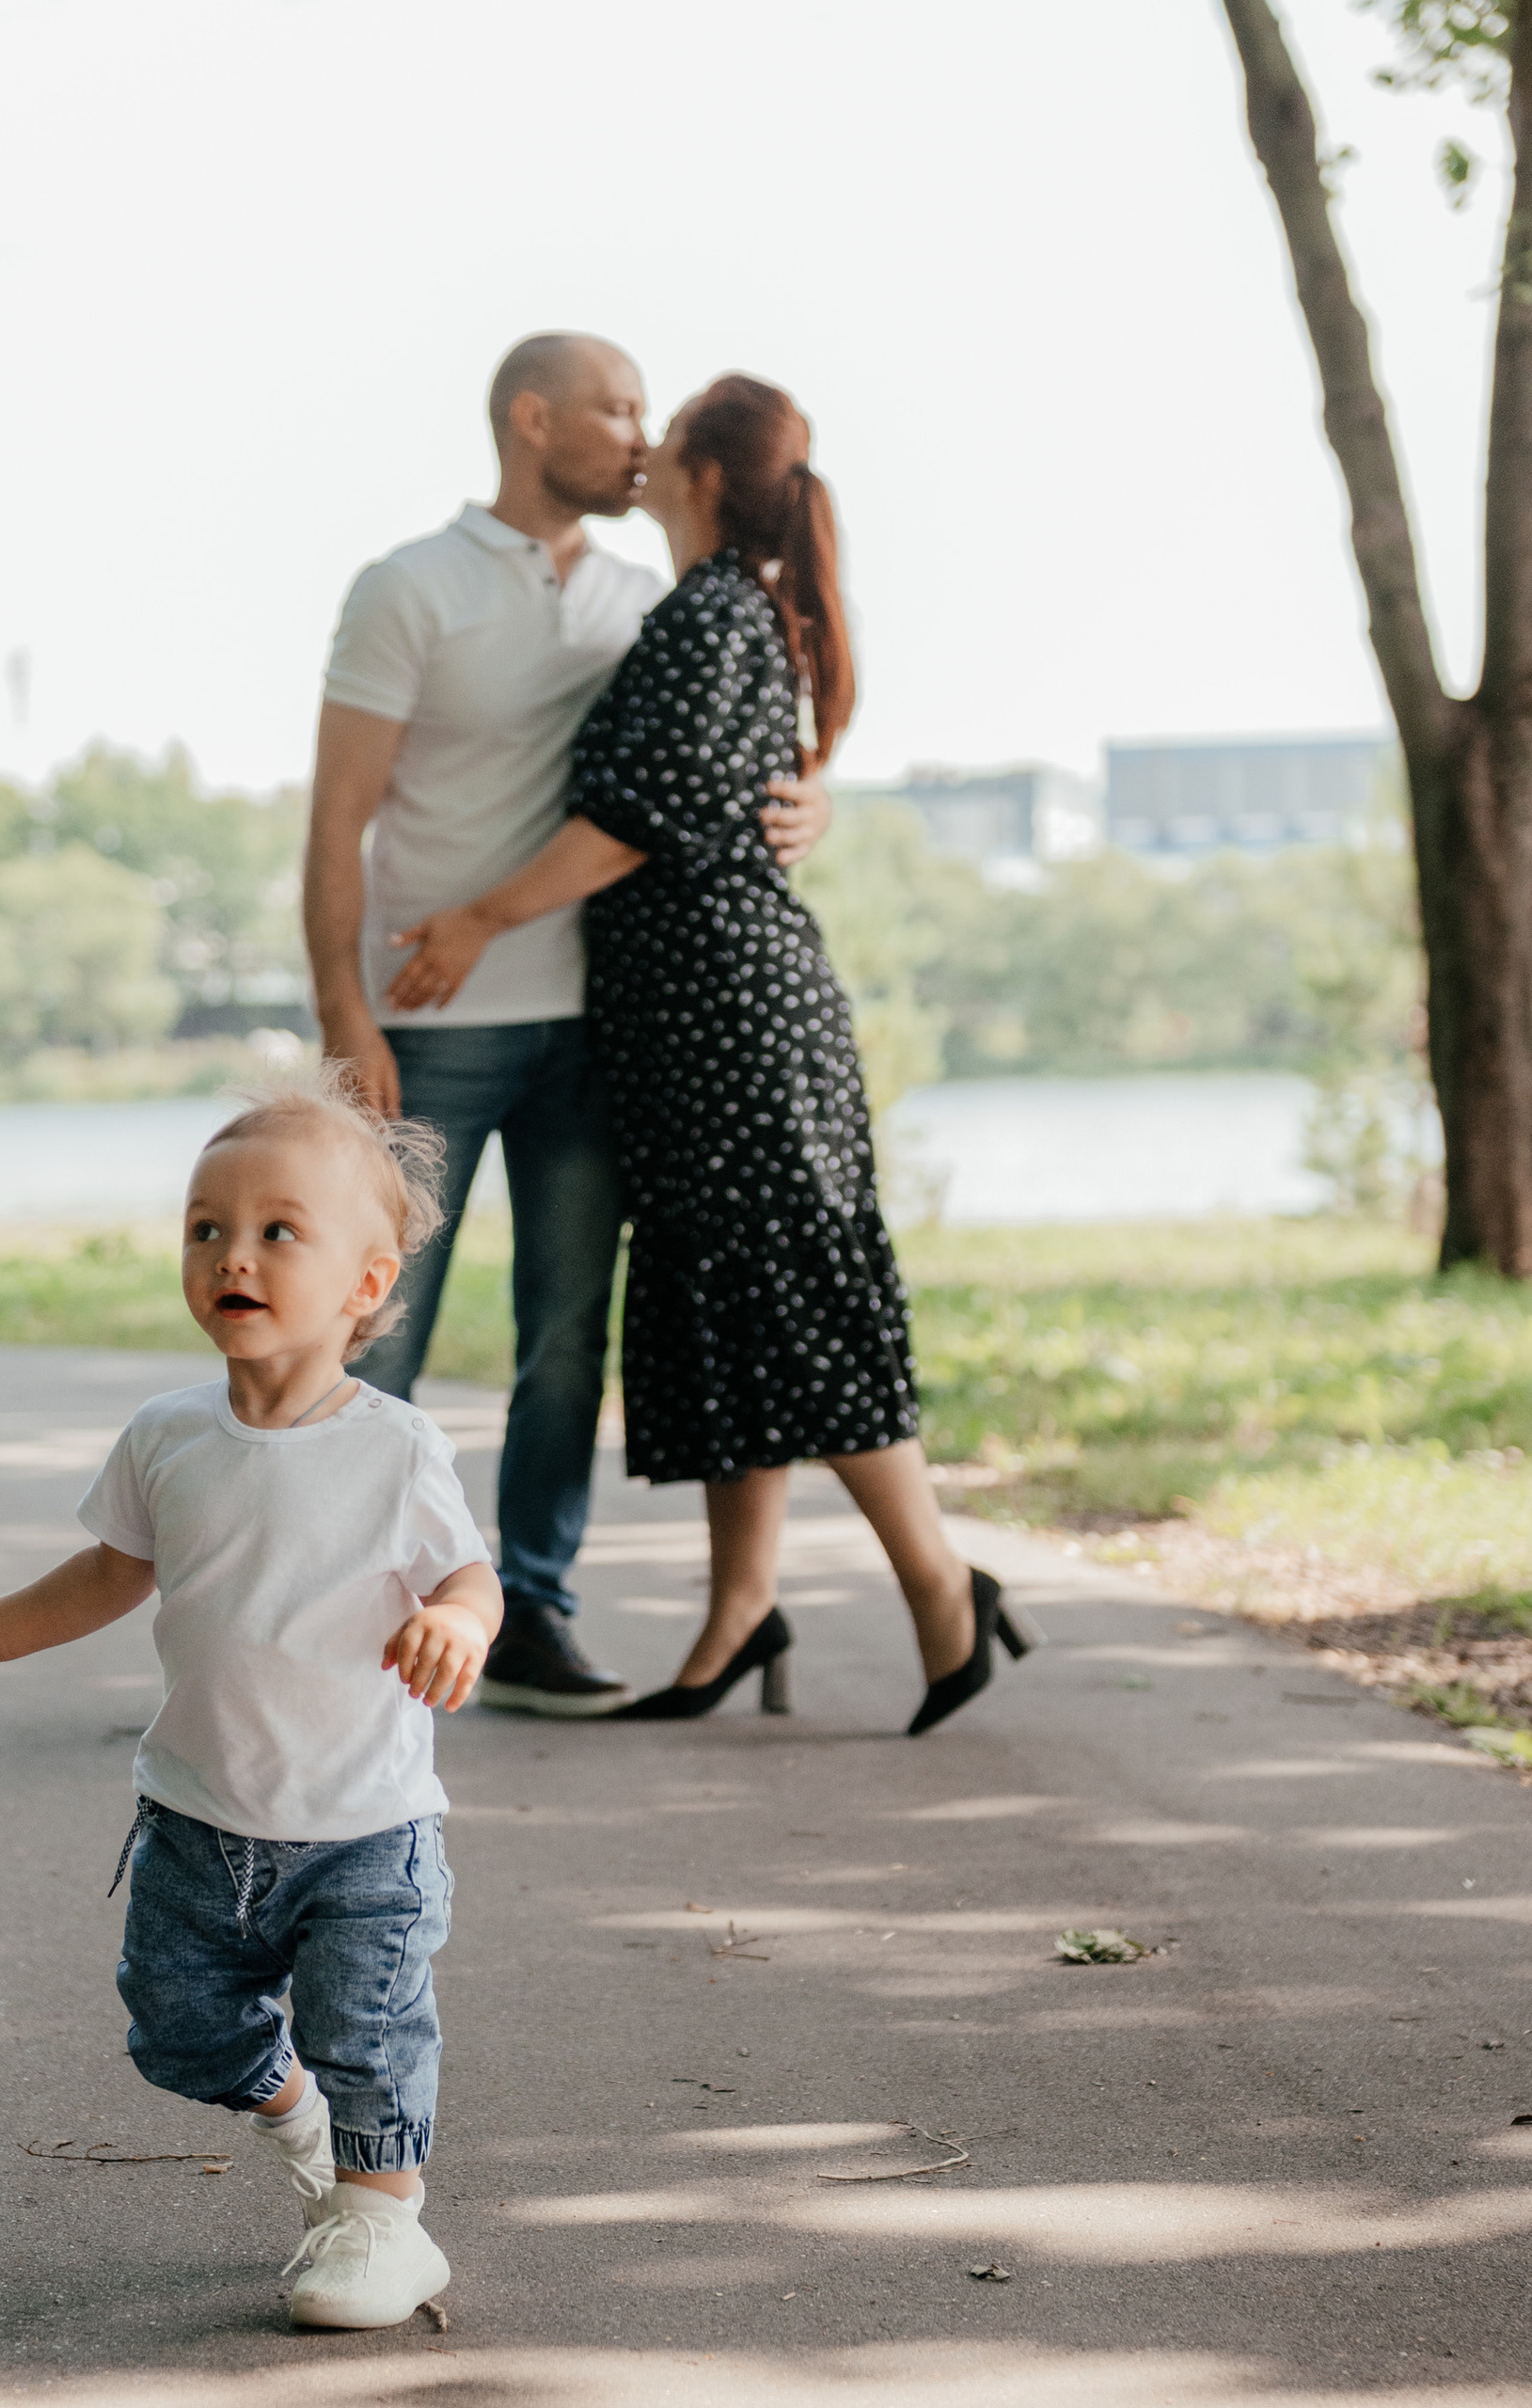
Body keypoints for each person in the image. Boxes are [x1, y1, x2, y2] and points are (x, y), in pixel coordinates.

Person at [385, 375, 1037, 1735]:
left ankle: (942, 1589)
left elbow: (639, 816)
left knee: (794, 1297)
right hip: (691, 1019)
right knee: (738, 1307)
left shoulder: (712, 614)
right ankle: (740, 1612)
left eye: (661, 424)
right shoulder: (707, 610)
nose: (642, 442)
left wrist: (480, 918)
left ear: (702, 473)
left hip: (732, 1018)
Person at [0, 1071, 497, 2331]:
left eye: (279, 1231)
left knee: (370, 2031)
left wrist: (455, 1623)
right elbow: (114, 1571)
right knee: (177, 2029)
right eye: (206, 1227)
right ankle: (298, 2121)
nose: (233, 1255)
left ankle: (383, 2224)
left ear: (366, 1284)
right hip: (199, 1820)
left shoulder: (393, 1448)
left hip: (364, 1829)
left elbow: (469, 1576)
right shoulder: (167, 1436)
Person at [302, 331, 832, 1718]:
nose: (642, 434)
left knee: (563, 1343)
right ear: (533, 419)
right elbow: (336, 819)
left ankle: (530, 1609)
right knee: (372, 1330)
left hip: (597, 1020)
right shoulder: (407, 588)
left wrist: (814, 803)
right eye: (616, 407)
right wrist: (344, 1009)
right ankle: (328, 1615)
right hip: (428, 1026)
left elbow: (712, 764)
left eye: (650, 410)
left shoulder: (650, 598)